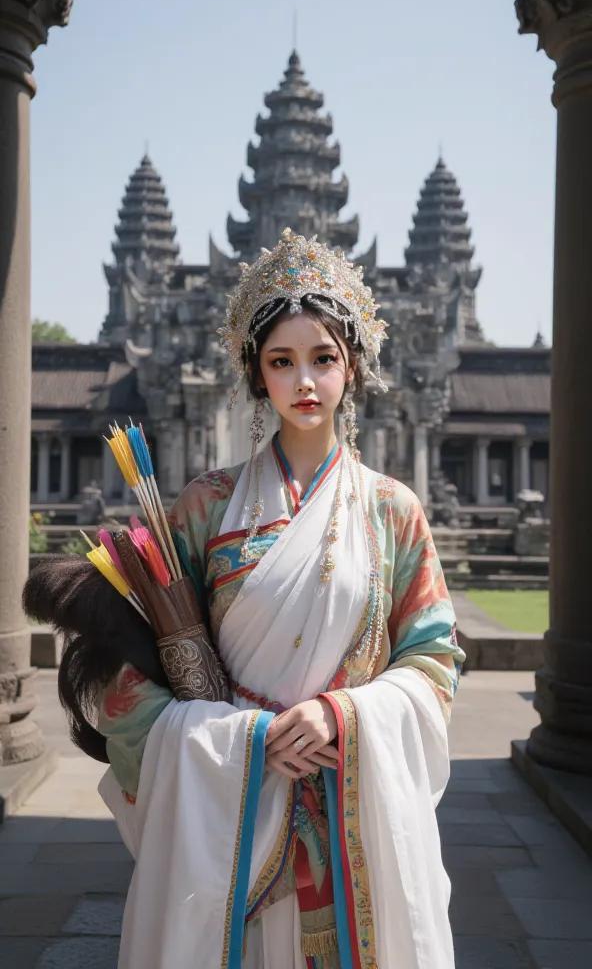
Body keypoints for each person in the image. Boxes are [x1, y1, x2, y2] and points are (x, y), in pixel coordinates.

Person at [95, 229, 464, 969]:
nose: (305, 381)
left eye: (324, 359)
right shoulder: (205, 508)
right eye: (282, 361)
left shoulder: (394, 511)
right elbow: (132, 685)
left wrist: (342, 715)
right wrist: (248, 740)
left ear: (352, 367)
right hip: (236, 806)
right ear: (254, 372)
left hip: (348, 793)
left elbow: (432, 663)